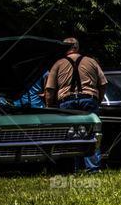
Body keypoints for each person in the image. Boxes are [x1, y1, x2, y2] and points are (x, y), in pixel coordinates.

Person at [44, 37, 105, 173]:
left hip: (67, 102)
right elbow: (102, 84)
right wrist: (98, 100)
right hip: (88, 100)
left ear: (64, 49)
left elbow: (50, 89)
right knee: (92, 134)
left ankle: (72, 169)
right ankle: (93, 169)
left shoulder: (58, 64)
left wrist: (49, 107)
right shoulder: (91, 62)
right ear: (77, 47)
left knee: (69, 135)